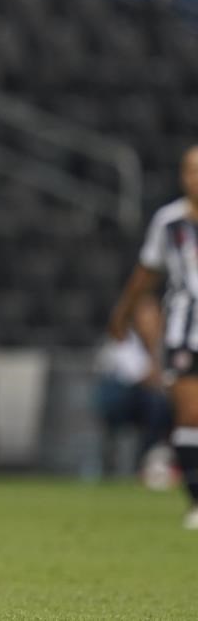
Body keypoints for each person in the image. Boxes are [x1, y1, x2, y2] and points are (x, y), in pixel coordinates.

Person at [109, 144, 198, 530]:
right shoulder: (169, 221)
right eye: (189, 170)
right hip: (185, 329)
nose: (194, 177)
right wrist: (123, 313)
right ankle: (197, 500)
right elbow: (146, 273)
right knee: (190, 415)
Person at [92, 293, 173, 480]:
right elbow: (147, 378)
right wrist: (153, 345)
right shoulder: (122, 340)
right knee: (156, 402)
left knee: (169, 406)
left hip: (146, 402)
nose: (150, 321)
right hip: (117, 401)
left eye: (154, 315)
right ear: (134, 320)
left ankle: (162, 458)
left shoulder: (168, 342)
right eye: (144, 316)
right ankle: (144, 460)